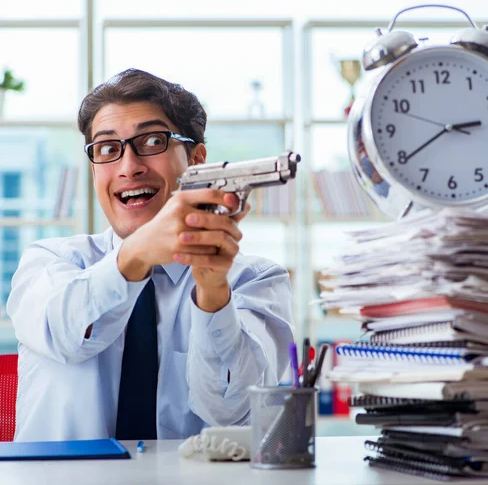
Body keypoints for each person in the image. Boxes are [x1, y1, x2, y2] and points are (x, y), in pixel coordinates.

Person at [7, 68, 295, 442]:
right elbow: (68, 335)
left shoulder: (255, 280)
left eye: (153, 141)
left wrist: (212, 294)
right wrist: (138, 252)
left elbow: (232, 411)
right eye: (108, 149)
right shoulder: (48, 260)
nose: (129, 167)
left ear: (197, 161)